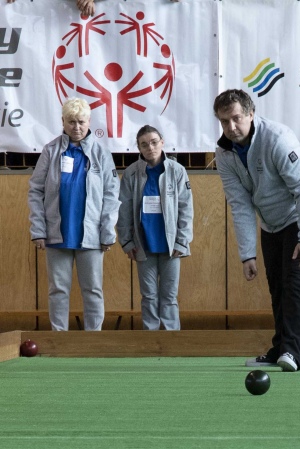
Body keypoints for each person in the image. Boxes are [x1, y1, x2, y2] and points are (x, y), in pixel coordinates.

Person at [213, 89, 300, 372]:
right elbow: (240, 205)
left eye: (236, 118)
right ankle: (280, 348)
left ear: (251, 114)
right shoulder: (224, 154)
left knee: (295, 281)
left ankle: (293, 353)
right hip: (271, 221)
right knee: (277, 285)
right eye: (224, 121)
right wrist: (247, 254)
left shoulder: (277, 139)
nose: (231, 127)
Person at [28, 97, 119, 331]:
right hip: (56, 234)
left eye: (81, 121)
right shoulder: (50, 151)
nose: (76, 127)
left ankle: (94, 339)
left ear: (89, 122)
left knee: (93, 290)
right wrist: (38, 230)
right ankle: (59, 338)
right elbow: (36, 190)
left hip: (91, 236)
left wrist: (107, 232)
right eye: (71, 122)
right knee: (58, 290)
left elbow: (111, 195)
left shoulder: (101, 153)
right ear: (63, 122)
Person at [117, 125, 193, 330]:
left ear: (162, 143)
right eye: (144, 145)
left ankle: (171, 338)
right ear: (139, 148)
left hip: (171, 244)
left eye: (153, 142)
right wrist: (126, 241)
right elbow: (123, 210)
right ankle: (150, 339)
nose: (150, 148)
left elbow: (186, 208)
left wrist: (182, 241)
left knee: (169, 296)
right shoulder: (131, 173)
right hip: (143, 244)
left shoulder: (177, 171)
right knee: (149, 296)